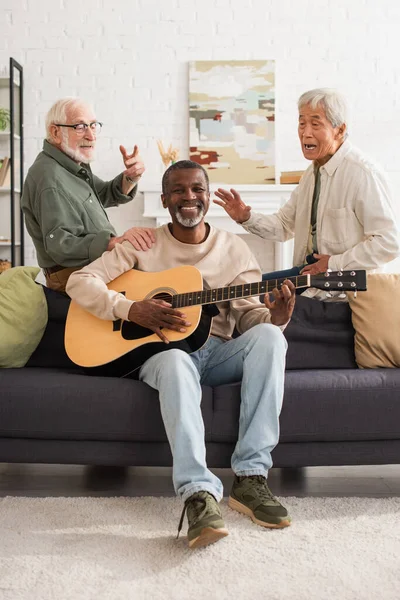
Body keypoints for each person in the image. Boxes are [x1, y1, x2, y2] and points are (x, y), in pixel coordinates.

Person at [66, 160, 296, 549]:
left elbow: (249, 316)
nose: (189, 197)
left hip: (219, 353)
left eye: (197, 190)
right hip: (164, 355)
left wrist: (274, 317)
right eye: (179, 190)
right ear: (165, 198)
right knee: (174, 359)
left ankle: (251, 478)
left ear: (208, 196)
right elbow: (79, 281)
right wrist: (129, 308)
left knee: (272, 339)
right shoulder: (144, 244)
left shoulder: (233, 248)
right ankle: (198, 494)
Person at [214, 88, 400, 300]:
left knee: (250, 300)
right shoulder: (311, 174)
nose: (306, 132)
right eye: (302, 123)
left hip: (343, 287)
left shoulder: (362, 174)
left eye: (315, 123)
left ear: (339, 131)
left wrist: (332, 263)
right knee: (240, 290)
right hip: (307, 276)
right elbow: (284, 226)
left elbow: (389, 243)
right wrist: (245, 217)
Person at [21, 97, 155, 293]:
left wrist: (130, 178)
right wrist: (114, 243)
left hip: (91, 270)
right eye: (80, 126)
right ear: (55, 132)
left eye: (93, 125)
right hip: (74, 277)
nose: (92, 136)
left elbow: (103, 194)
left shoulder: (70, 165)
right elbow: (61, 245)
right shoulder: (49, 178)